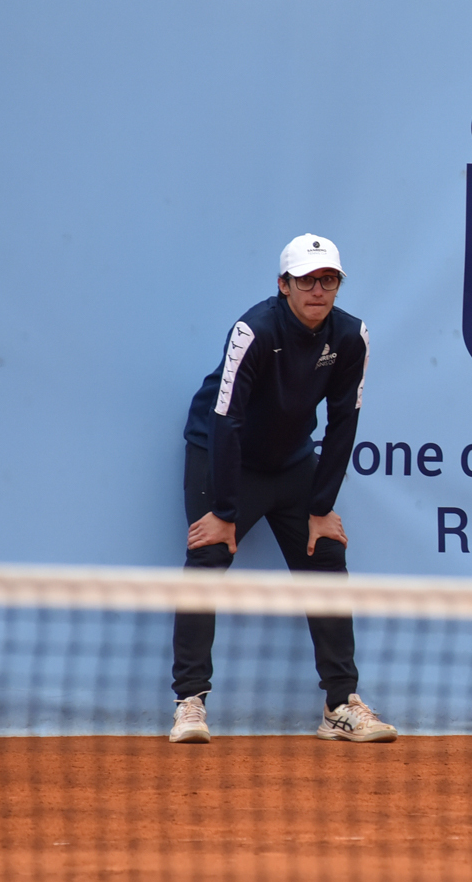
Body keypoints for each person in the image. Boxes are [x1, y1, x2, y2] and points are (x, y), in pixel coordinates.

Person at [168, 233, 396, 745]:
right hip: (223, 453)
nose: (318, 290)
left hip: (291, 461)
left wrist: (321, 507)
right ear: (283, 284)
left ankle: (340, 704)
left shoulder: (351, 336)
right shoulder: (254, 330)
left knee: (327, 555)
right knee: (206, 557)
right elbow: (226, 420)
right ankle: (190, 702)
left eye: (328, 280)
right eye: (307, 280)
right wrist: (224, 510)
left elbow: (343, 422)